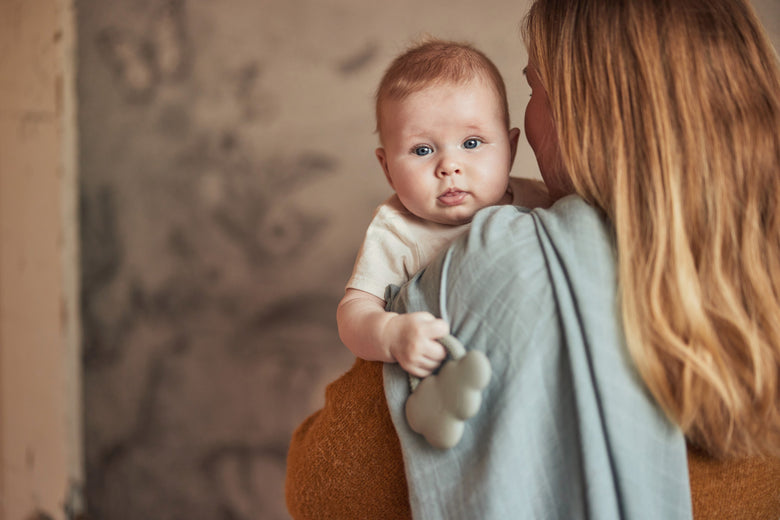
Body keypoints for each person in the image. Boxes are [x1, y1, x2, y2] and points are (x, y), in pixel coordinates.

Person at [286, 0, 780, 518]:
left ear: (586, 113)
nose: (451, 166)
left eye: (534, 90)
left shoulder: (507, 258)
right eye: (424, 150)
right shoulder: (756, 272)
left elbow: (321, 489)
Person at [337, 39, 550, 379]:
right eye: (422, 150)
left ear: (509, 150)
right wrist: (391, 335)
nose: (449, 166)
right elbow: (353, 312)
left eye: (471, 143)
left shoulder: (540, 200)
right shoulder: (397, 229)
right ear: (388, 169)